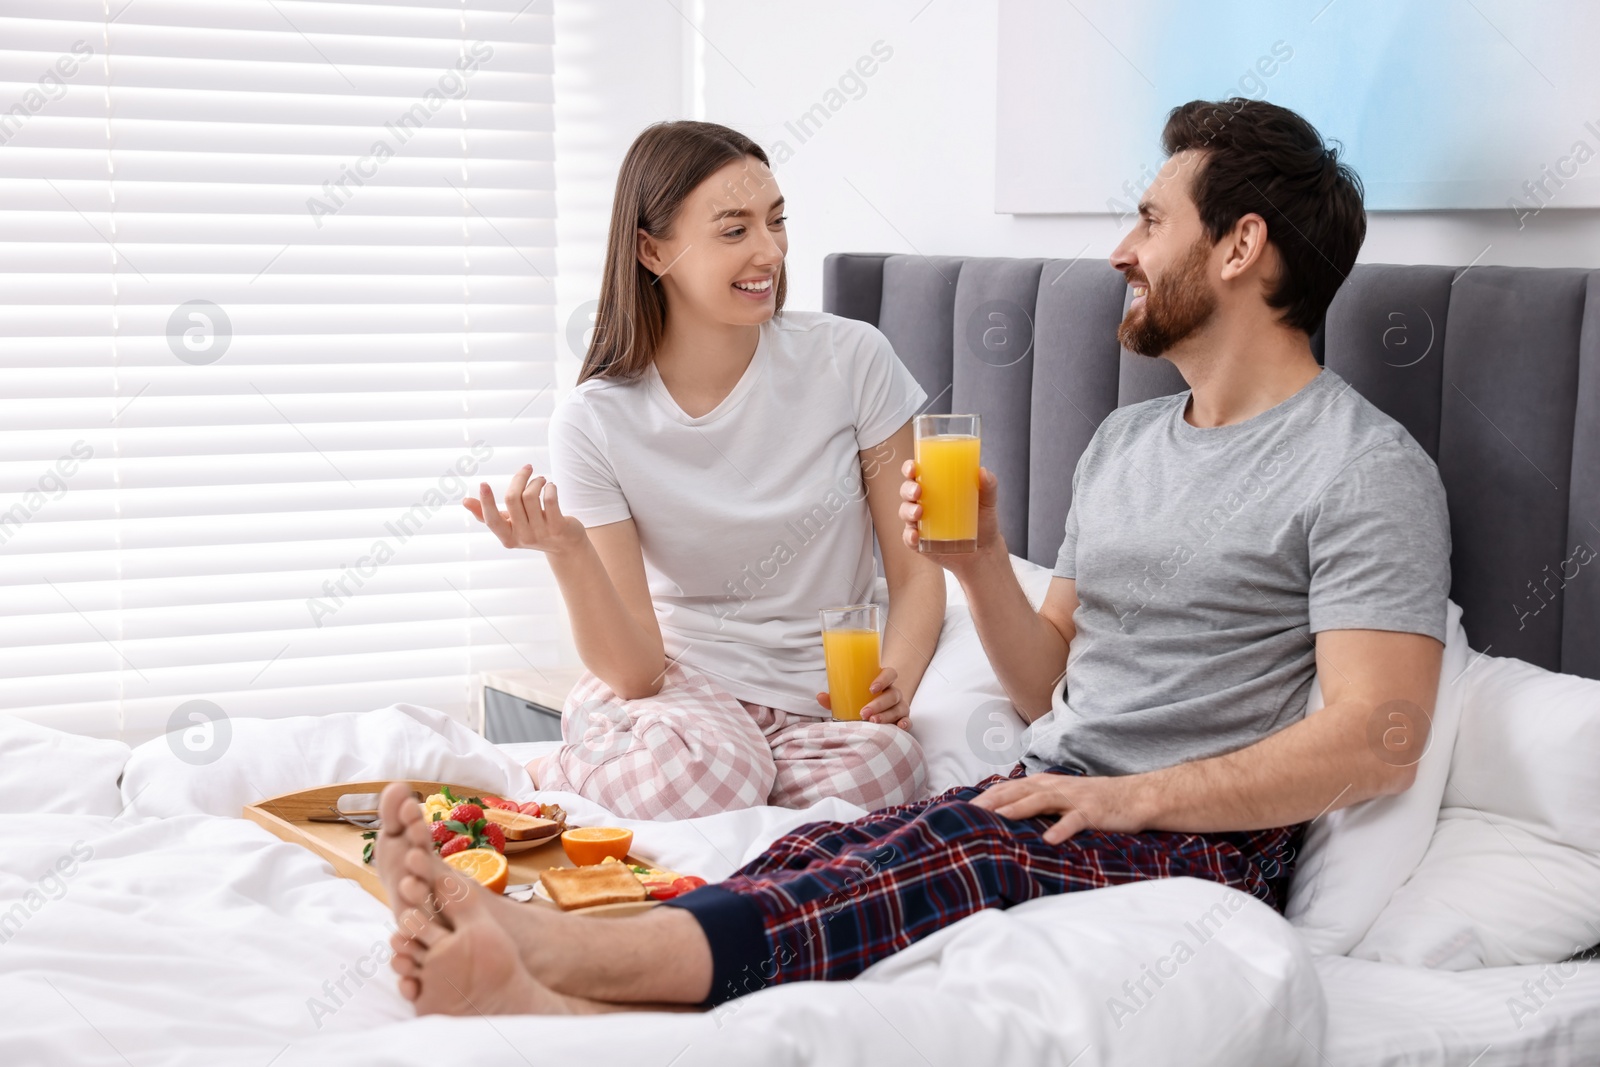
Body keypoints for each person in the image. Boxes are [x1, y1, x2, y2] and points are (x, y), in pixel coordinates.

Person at [377, 97, 1452, 1015]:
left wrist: (1134, 798)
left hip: (1204, 842)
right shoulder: (1126, 443)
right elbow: (1044, 686)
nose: (1120, 251)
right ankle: (565, 973)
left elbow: (1381, 736)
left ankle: (564, 958)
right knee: (839, 846)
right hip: (1057, 781)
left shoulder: (1360, 466)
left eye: (1148, 220)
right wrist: (981, 559)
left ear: (1237, 246)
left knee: (949, 859)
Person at [465, 122, 944, 820]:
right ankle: (556, 767)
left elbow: (916, 570)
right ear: (651, 249)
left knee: (889, 766)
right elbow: (635, 668)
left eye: (776, 223)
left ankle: (694, 779)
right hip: (676, 690)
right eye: (734, 230)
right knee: (718, 770)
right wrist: (567, 550)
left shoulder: (852, 359)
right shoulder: (595, 421)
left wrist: (892, 681)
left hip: (814, 702)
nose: (770, 251)